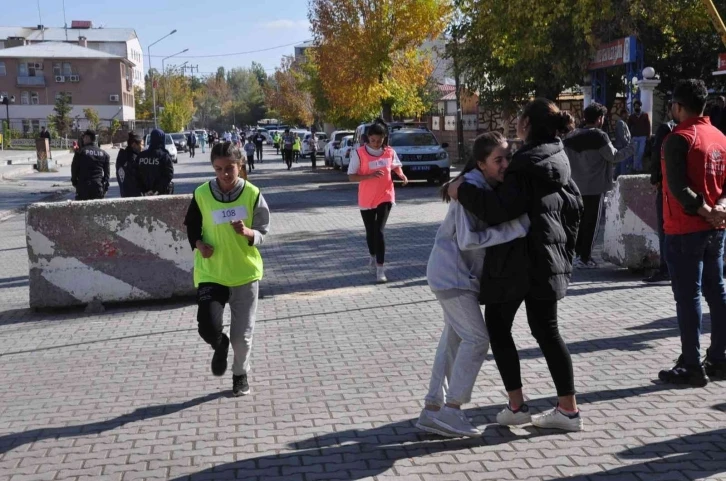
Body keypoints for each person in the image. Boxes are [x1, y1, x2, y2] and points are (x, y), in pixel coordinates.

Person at [448, 98, 584, 432]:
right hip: (548, 258)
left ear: (526, 124)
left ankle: (517, 405)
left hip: (518, 261)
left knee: (497, 325)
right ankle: (568, 410)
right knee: (547, 331)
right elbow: (576, 207)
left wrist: (461, 190)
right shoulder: (557, 158)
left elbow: (497, 210)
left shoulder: (524, 165)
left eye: (519, 118)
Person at [417, 132, 530, 438]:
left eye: (508, 157)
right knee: (478, 340)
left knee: (452, 340)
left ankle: (433, 409)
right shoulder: (471, 189)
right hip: (452, 276)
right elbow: (468, 240)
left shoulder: (481, 186)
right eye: (498, 160)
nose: (505, 164)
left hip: (454, 275)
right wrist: (514, 229)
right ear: (481, 164)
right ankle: (452, 410)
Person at [183, 141, 271, 396]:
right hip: (212, 272)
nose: (224, 174)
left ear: (240, 165)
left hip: (244, 274)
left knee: (242, 337)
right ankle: (219, 344)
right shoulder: (201, 193)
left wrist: (247, 232)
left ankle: (240, 374)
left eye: (229, 168)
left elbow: (263, 233)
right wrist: (199, 244)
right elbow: (191, 227)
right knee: (208, 327)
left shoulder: (252, 194)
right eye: (218, 169)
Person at [658, 79, 726, 386]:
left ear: (679, 107)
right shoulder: (720, 137)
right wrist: (720, 208)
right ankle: (719, 358)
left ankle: (690, 365)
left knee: (688, 298)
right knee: (718, 293)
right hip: (716, 229)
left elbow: (677, 187)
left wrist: (705, 210)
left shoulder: (678, 138)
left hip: (686, 230)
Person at [564, 102, 635, 269]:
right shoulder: (599, 136)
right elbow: (614, 156)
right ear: (599, 119)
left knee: (579, 223)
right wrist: (631, 148)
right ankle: (585, 258)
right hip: (594, 188)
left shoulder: (571, 136)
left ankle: (577, 255)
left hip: (575, 187)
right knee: (592, 223)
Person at [347, 122, 408, 283]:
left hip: (385, 195)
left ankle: (380, 269)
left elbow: (395, 166)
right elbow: (351, 176)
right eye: (373, 140)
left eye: (379, 140)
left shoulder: (389, 152)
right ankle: (372, 255)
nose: (376, 143)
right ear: (368, 138)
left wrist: (401, 175)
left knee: (379, 230)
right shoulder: (359, 153)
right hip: (367, 197)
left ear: (384, 138)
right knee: (370, 231)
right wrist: (369, 176)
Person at [643, 105, 676, 285]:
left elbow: (657, 155)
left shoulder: (666, 129)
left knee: (665, 228)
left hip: (666, 187)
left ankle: (666, 268)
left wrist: (655, 178)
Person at [71, 129, 110, 201]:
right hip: (97, 187)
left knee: (82, 210)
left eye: (84, 137)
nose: (83, 139)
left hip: (83, 187)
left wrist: (75, 182)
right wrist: (105, 187)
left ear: (88, 138)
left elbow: (74, 168)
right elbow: (107, 175)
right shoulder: (104, 154)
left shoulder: (80, 152)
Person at [136, 128, 175, 196]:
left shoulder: (141, 156)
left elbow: (136, 175)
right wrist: (156, 191)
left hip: (144, 194)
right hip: (161, 194)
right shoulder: (164, 156)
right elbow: (169, 175)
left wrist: (144, 191)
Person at [116, 132, 143, 198]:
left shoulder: (121, 157)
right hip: (136, 198)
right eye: (142, 144)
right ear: (134, 144)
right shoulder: (135, 159)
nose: (143, 147)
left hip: (124, 195)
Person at [627, 99, 651, 172]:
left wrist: (648, 134)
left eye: (638, 106)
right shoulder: (631, 116)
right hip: (634, 137)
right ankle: (638, 168)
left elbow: (648, 125)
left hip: (643, 136)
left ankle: (635, 167)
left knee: (641, 151)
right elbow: (628, 127)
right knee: (635, 153)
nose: (637, 107)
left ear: (640, 107)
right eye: (635, 106)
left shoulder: (645, 115)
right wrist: (629, 136)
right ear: (634, 107)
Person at [614, 109, 633, 177]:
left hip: (621, 146)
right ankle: (622, 178)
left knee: (619, 164)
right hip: (622, 146)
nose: (628, 115)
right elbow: (622, 135)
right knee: (623, 163)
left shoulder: (623, 123)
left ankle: (616, 177)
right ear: (623, 114)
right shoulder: (620, 123)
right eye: (627, 114)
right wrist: (628, 144)